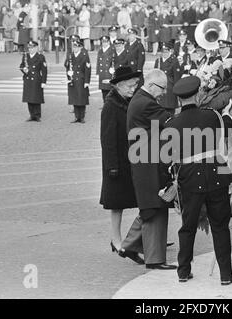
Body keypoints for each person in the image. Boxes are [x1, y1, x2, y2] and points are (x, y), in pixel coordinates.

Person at [165, 76, 232, 285]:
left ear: (179, 100)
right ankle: (225, 275)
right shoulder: (212, 116)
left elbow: (168, 155)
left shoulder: (172, 123)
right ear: (197, 94)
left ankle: (183, 271)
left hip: (189, 178)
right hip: (217, 175)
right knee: (220, 226)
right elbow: (226, 128)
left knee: (187, 227)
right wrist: (227, 114)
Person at [122, 69, 176, 270]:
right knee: (155, 206)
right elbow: (171, 122)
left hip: (146, 160)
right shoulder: (146, 103)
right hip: (148, 162)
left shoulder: (141, 99)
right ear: (152, 85)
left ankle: (129, 245)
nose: (163, 93)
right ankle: (154, 259)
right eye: (162, 89)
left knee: (152, 205)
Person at [100, 66, 141, 255]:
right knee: (117, 205)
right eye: (131, 86)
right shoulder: (111, 105)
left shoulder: (128, 100)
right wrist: (112, 167)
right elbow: (107, 139)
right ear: (120, 85)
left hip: (131, 158)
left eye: (135, 85)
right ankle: (115, 239)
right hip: (117, 162)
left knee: (140, 200)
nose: (134, 89)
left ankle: (143, 237)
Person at [20, 41, 47, 122]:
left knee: (36, 98)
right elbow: (21, 65)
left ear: (36, 48)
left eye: (32, 48)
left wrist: (43, 82)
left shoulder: (40, 57)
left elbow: (44, 70)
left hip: (36, 79)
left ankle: (37, 115)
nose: (30, 50)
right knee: (29, 98)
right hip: (28, 79)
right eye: (29, 48)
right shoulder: (25, 56)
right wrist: (23, 70)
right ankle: (31, 115)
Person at [65, 39, 91, 123]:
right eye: (74, 47)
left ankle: (82, 117)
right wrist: (68, 75)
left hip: (81, 79)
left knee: (81, 99)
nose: (75, 49)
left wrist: (87, 82)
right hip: (72, 79)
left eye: (76, 47)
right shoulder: (70, 56)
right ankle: (76, 117)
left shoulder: (84, 56)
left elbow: (87, 70)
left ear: (80, 47)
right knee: (74, 99)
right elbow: (67, 67)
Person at [154, 42, 178, 110]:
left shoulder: (174, 61)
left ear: (169, 52)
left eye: (166, 52)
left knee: (169, 109)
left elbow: (176, 77)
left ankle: (169, 120)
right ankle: (155, 121)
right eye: (163, 52)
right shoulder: (158, 61)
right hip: (159, 88)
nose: (165, 53)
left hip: (169, 88)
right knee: (157, 111)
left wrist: (176, 89)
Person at [96, 36, 114, 103]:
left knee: (109, 91)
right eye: (103, 42)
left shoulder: (112, 50)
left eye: (106, 42)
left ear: (109, 42)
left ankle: (109, 105)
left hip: (108, 74)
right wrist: (97, 73)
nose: (104, 43)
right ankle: (105, 104)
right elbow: (98, 62)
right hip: (102, 74)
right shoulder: (100, 51)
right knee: (103, 91)